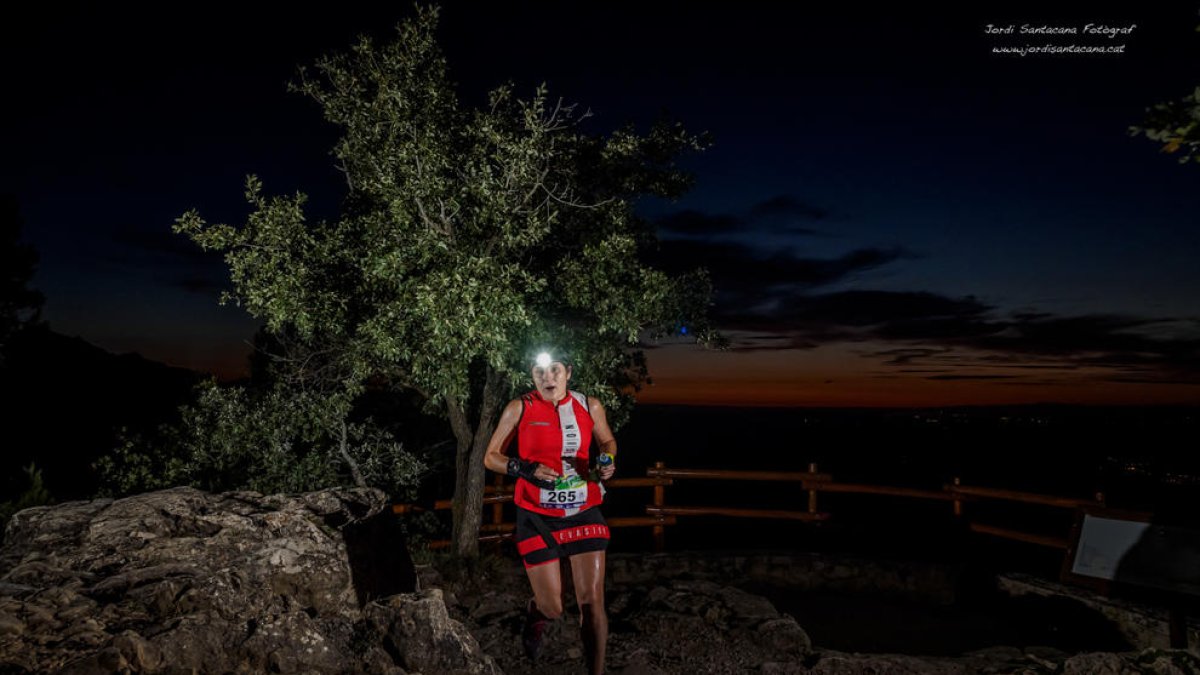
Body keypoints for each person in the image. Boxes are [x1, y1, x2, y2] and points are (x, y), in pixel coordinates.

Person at [483, 350, 617, 675]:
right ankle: (536, 614)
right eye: (540, 371)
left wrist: (607, 460)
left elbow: (608, 441)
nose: (548, 378)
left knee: (592, 602)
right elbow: (491, 456)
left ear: (568, 372)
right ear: (532, 375)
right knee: (553, 607)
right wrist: (524, 468)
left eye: (554, 370)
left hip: (583, 511)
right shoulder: (520, 407)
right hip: (536, 516)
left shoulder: (590, 405)